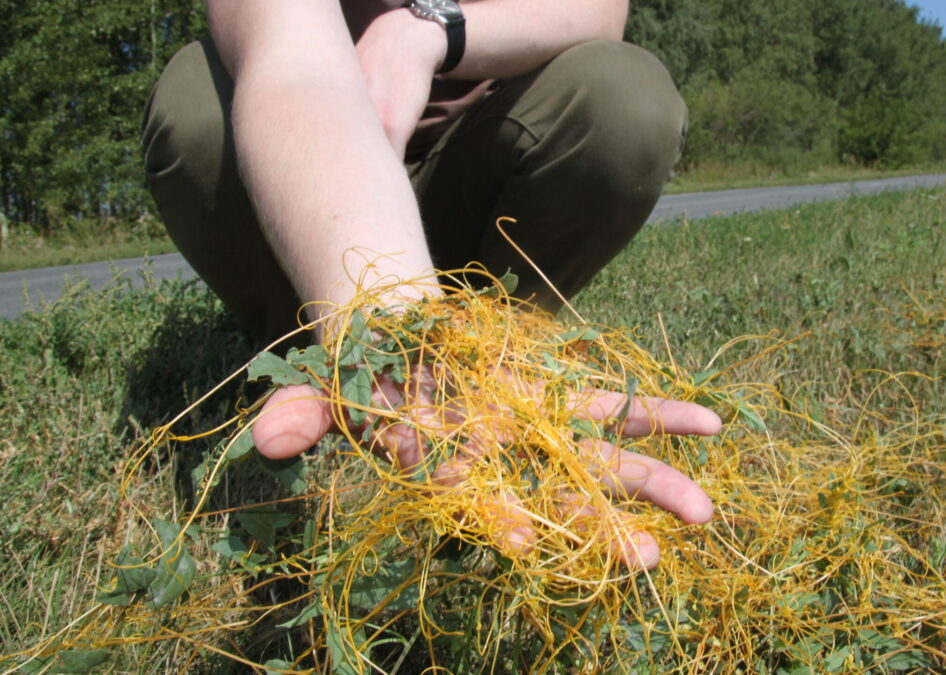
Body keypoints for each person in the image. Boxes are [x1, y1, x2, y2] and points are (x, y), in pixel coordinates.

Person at [141, 0, 717, 568]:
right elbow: (296, 67)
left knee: (626, 92)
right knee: (195, 98)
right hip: (310, 157)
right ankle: (313, 356)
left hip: (476, 160)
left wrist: (430, 31)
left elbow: (595, 11)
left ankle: (498, 357)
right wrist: (388, 333)